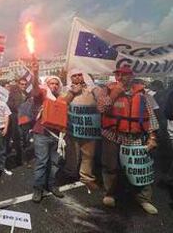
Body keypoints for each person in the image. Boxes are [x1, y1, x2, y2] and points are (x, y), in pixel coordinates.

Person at [98, 66, 159, 214]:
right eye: (118, 74)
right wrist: (115, 93)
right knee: (111, 167)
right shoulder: (106, 90)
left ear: (131, 76)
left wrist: (152, 137)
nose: (120, 77)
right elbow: (102, 108)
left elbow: (150, 116)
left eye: (124, 74)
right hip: (112, 135)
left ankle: (144, 199)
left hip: (134, 137)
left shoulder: (142, 94)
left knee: (140, 168)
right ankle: (110, 194)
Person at [60, 68, 104, 191]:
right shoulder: (66, 90)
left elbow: (103, 102)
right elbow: (61, 105)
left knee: (88, 155)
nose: (78, 77)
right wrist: (72, 93)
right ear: (70, 78)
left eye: (80, 75)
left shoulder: (94, 89)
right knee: (72, 153)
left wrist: (93, 88)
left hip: (89, 130)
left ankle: (86, 178)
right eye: (74, 76)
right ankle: (70, 173)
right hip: (72, 129)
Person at [31, 59, 66, 203]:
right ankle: (38, 189)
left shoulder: (62, 99)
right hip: (42, 134)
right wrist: (35, 72)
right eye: (51, 83)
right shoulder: (42, 96)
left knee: (55, 163)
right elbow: (35, 88)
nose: (54, 85)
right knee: (42, 162)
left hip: (57, 137)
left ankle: (51, 185)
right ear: (47, 84)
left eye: (57, 83)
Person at [7, 77, 29, 166]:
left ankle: (22, 157)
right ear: (18, 85)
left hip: (25, 119)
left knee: (25, 138)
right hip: (16, 118)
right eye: (22, 84)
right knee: (19, 139)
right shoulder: (13, 93)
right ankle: (21, 159)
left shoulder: (27, 94)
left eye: (25, 84)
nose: (23, 86)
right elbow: (9, 104)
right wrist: (19, 108)